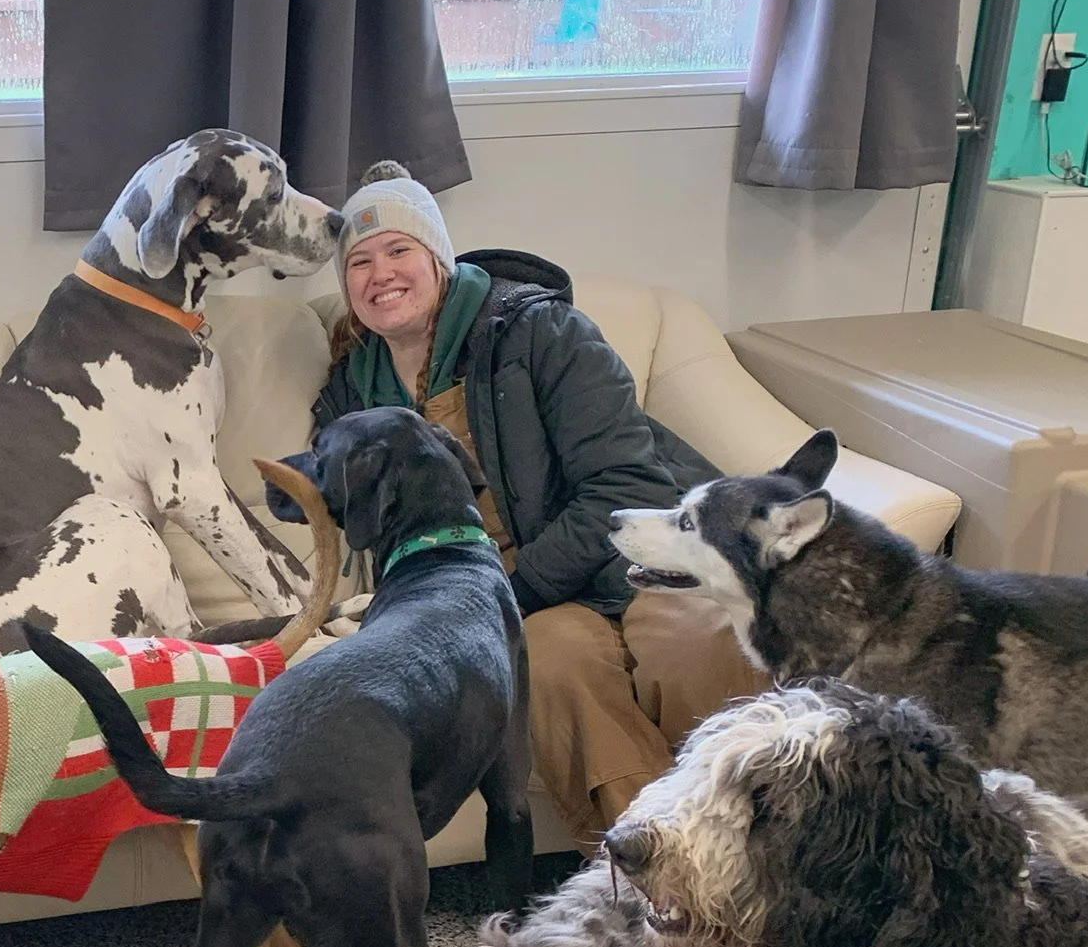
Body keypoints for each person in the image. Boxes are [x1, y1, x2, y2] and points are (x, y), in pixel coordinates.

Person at [312, 161, 761, 849]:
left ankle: (765, 845)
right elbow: (334, 496)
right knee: (551, 672)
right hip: (532, 610)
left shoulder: (540, 331)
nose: (382, 274)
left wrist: (512, 589)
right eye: (360, 262)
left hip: (634, 563)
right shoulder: (352, 391)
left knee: (699, 648)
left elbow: (626, 487)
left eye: (399, 249)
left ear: (437, 257)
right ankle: (663, 868)